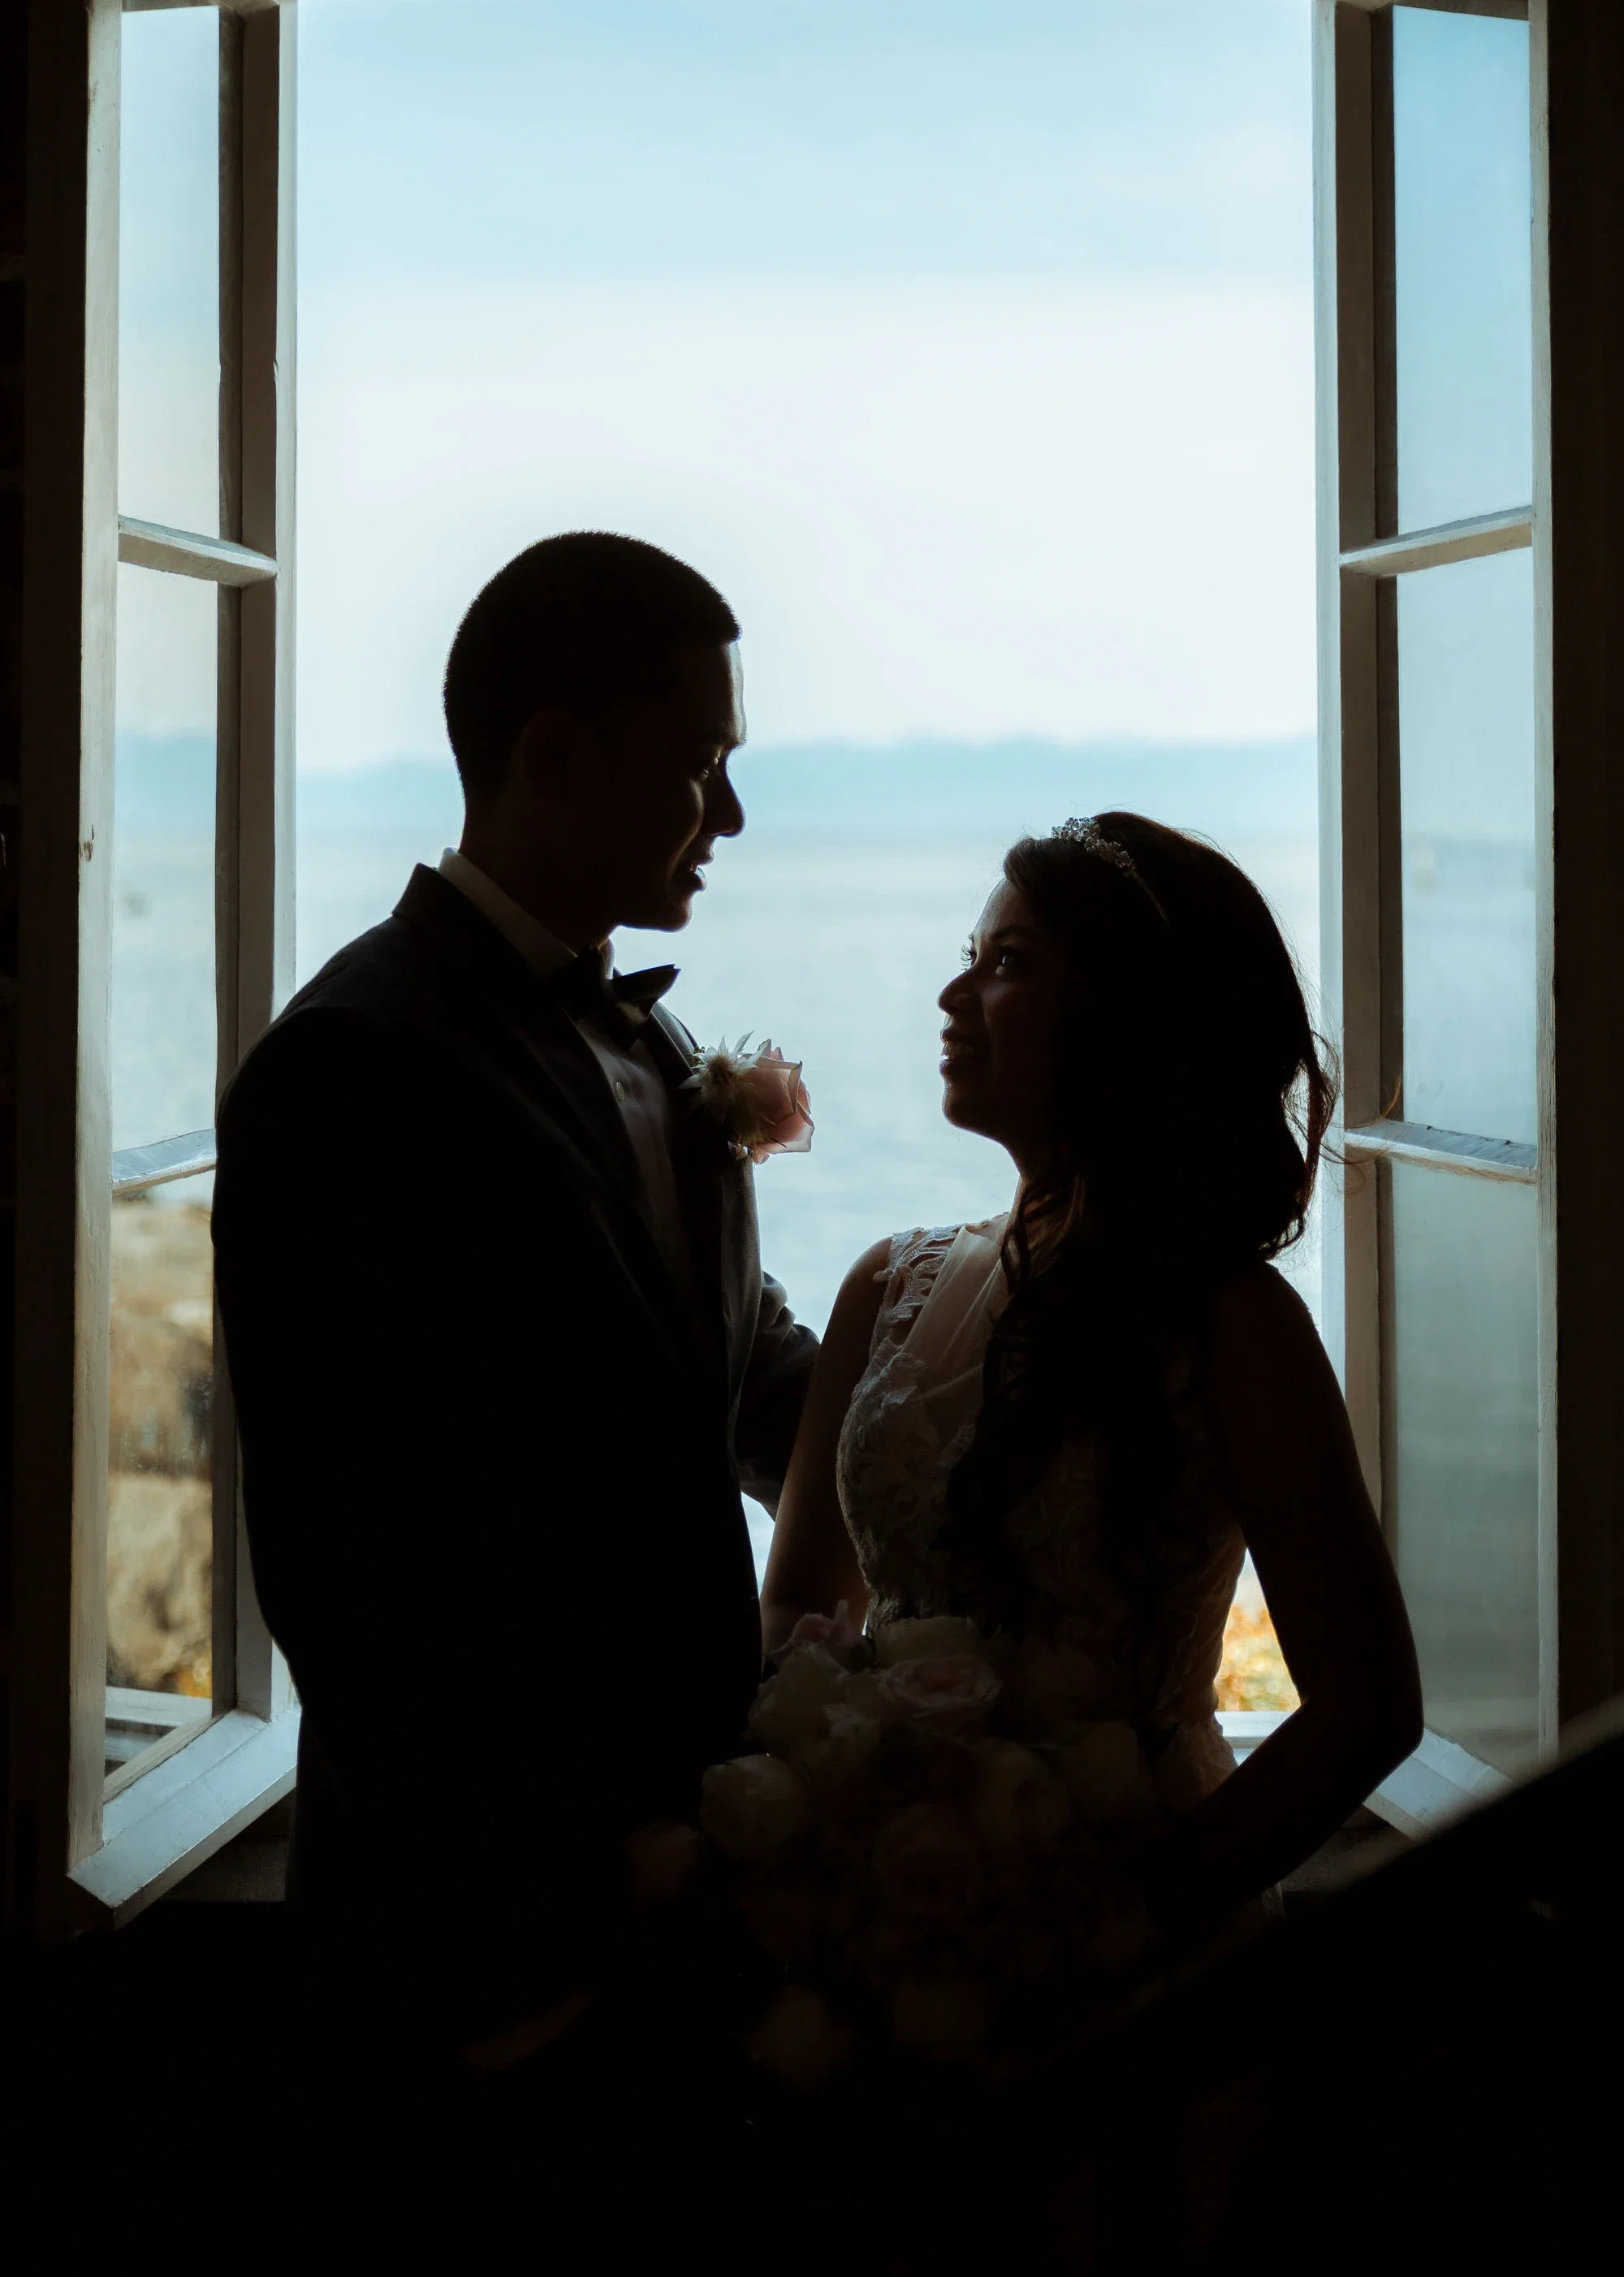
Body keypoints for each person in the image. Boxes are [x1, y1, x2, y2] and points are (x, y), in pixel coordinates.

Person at [212, 533, 818, 2254]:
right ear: (552, 755)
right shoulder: (351, 1062)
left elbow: (727, 1372)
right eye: (700, 765)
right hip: (476, 1975)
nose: (730, 816)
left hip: (686, 1904)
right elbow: (352, 1577)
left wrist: (953, 1407)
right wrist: (520, 2007)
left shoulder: (651, 1047)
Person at [762, 813, 1423, 1947]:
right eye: (970, 959)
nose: (953, 999)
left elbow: (1369, 1707)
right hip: (879, 1914)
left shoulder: (1234, 1326)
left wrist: (1128, 1914)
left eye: (1009, 964)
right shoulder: (885, 1288)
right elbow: (795, 1612)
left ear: (1125, 1015)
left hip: (1130, 1938)